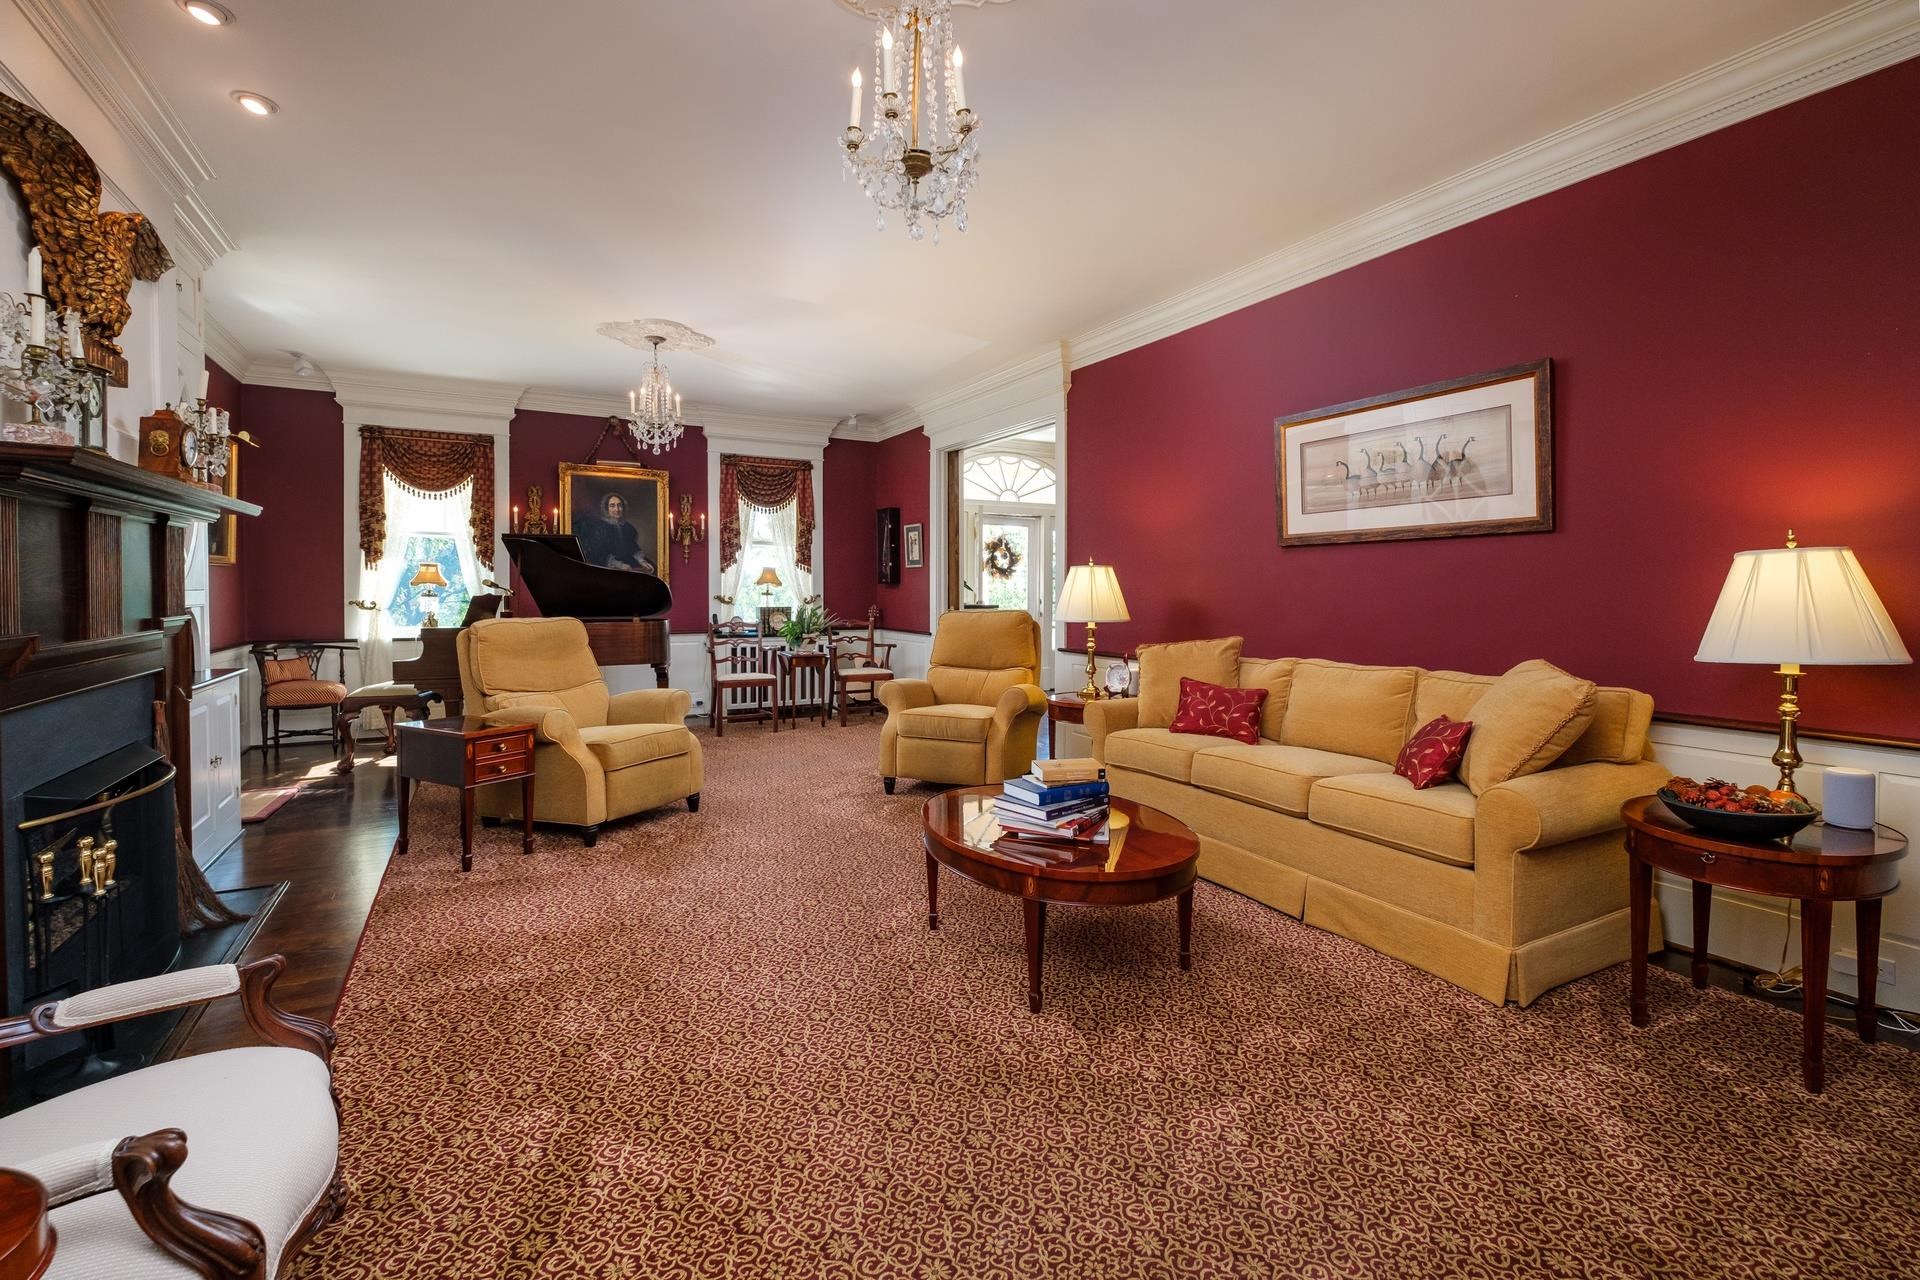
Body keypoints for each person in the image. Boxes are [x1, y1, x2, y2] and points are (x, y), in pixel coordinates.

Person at [573, 491, 656, 573]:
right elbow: (596, 553)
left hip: (628, 563)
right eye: (612, 506)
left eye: (619, 505)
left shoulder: (628, 527)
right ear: (606, 508)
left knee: (652, 568)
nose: (617, 509)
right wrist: (619, 565)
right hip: (607, 567)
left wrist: (642, 561)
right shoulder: (600, 527)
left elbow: (633, 547)